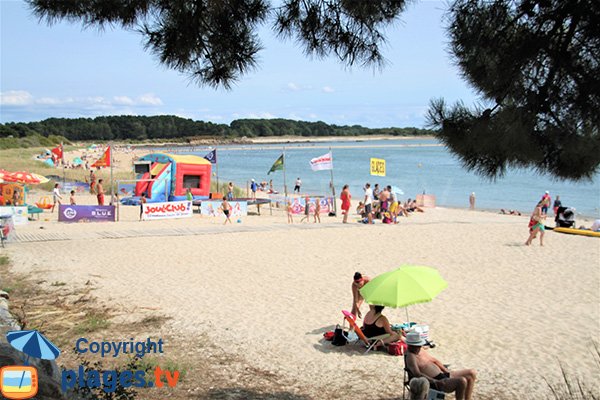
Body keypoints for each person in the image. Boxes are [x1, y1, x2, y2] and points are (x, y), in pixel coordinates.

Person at [404, 332, 477, 400]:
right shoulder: (410, 356)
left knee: (471, 373)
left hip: (443, 374)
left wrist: (445, 370)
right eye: (417, 346)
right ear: (410, 345)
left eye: (419, 345)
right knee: (461, 381)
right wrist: (434, 381)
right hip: (436, 381)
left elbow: (434, 360)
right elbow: (417, 374)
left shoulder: (420, 350)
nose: (419, 347)